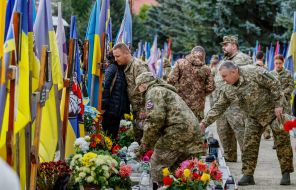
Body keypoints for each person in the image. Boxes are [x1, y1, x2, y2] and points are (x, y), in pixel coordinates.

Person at [200, 61, 294, 186]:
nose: (223, 79)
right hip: (253, 115)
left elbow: (275, 83)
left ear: (234, 72)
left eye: (224, 76)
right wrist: (204, 123)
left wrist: (278, 104)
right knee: (249, 144)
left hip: (274, 111)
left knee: (282, 141)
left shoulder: (254, 72)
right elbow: (219, 106)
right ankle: (248, 174)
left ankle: (286, 173)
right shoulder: (228, 87)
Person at [135, 72, 204, 187]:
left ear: (143, 85)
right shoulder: (165, 90)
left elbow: (154, 122)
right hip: (191, 131)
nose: (139, 90)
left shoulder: (154, 92)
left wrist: (144, 147)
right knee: (179, 169)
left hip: (177, 132)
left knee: (157, 165)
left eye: (139, 87)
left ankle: (162, 187)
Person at [213, 35, 252, 162]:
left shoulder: (243, 58)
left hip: (236, 105)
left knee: (241, 132)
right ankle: (230, 156)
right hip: (222, 103)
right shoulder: (223, 61)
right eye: (223, 45)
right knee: (223, 132)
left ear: (234, 45)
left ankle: (248, 160)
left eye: (226, 44)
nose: (223, 47)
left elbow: (249, 79)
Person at [113, 43, 149, 142]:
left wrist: (144, 110)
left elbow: (146, 88)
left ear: (126, 53)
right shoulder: (124, 66)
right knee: (138, 136)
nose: (116, 59)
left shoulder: (138, 66)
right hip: (136, 108)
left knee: (145, 137)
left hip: (144, 109)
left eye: (118, 56)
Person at [167, 46, 215, 121]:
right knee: (197, 129)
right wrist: (200, 94)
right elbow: (211, 87)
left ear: (191, 53)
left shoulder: (180, 63)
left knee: (180, 127)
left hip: (180, 104)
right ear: (203, 56)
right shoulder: (206, 69)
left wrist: (179, 91)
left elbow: (171, 80)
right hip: (198, 107)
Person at [101, 51, 130, 139]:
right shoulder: (112, 68)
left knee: (113, 137)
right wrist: (104, 106)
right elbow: (105, 87)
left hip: (117, 112)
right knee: (108, 136)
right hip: (109, 111)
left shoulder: (121, 70)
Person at [255, 51, 271, 139]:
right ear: (263, 57)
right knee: (266, 114)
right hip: (265, 95)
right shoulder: (266, 68)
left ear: (256, 57)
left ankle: (258, 132)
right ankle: (266, 132)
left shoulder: (252, 67)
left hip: (255, 95)